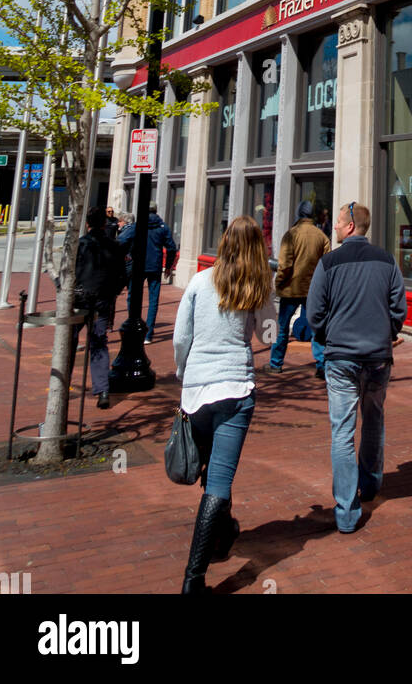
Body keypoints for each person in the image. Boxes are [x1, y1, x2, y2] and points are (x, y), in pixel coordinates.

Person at [173, 214, 277, 594]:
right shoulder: (256, 287)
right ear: (256, 249)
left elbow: (182, 336)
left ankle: (221, 534)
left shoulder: (200, 281)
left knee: (213, 470)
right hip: (235, 389)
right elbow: (269, 336)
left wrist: (183, 370)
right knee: (218, 479)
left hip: (198, 389)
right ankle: (193, 578)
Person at [306, 201, 407, 533]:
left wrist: (326, 336)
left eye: (337, 223)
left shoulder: (329, 262)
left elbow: (314, 314)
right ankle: (371, 483)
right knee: (374, 419)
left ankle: (347, 509)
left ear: (350, 226)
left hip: (342, 359)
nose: (333, 228)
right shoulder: (387, 260)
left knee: (343, 431)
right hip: (378, 358)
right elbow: (398, 307)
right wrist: (388, 333)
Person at [69, 207, 128, 409]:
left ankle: (63, 384)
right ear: (104, 224)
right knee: (99, 343)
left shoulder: (80, 245)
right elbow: (123, 275)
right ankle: (102, 389)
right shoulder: (114, 246)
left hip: (80, 300)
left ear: (87, 224)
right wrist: (112, 292)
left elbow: (68, 273)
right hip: (102, 300)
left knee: (70, 341)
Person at [269, 200, 330, 376]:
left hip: (291, 289)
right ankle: (321, 365)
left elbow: (285, 264)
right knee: (317, 328)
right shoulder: (321, 236)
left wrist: (279, 282)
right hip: (313, 290)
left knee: (281, 328)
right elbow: (326, 265)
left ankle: (275, 364)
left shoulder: (291, 235)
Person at [120, 201, 178, 343]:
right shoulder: (162, 227)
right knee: (153, 300)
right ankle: (148, 334)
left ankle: (135, 324)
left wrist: (127, 254)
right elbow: (171, 248)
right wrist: (169, 266)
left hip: (138, 265)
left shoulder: (137, 226)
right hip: (155, 265)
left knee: (133, 297)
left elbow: (121, 240)